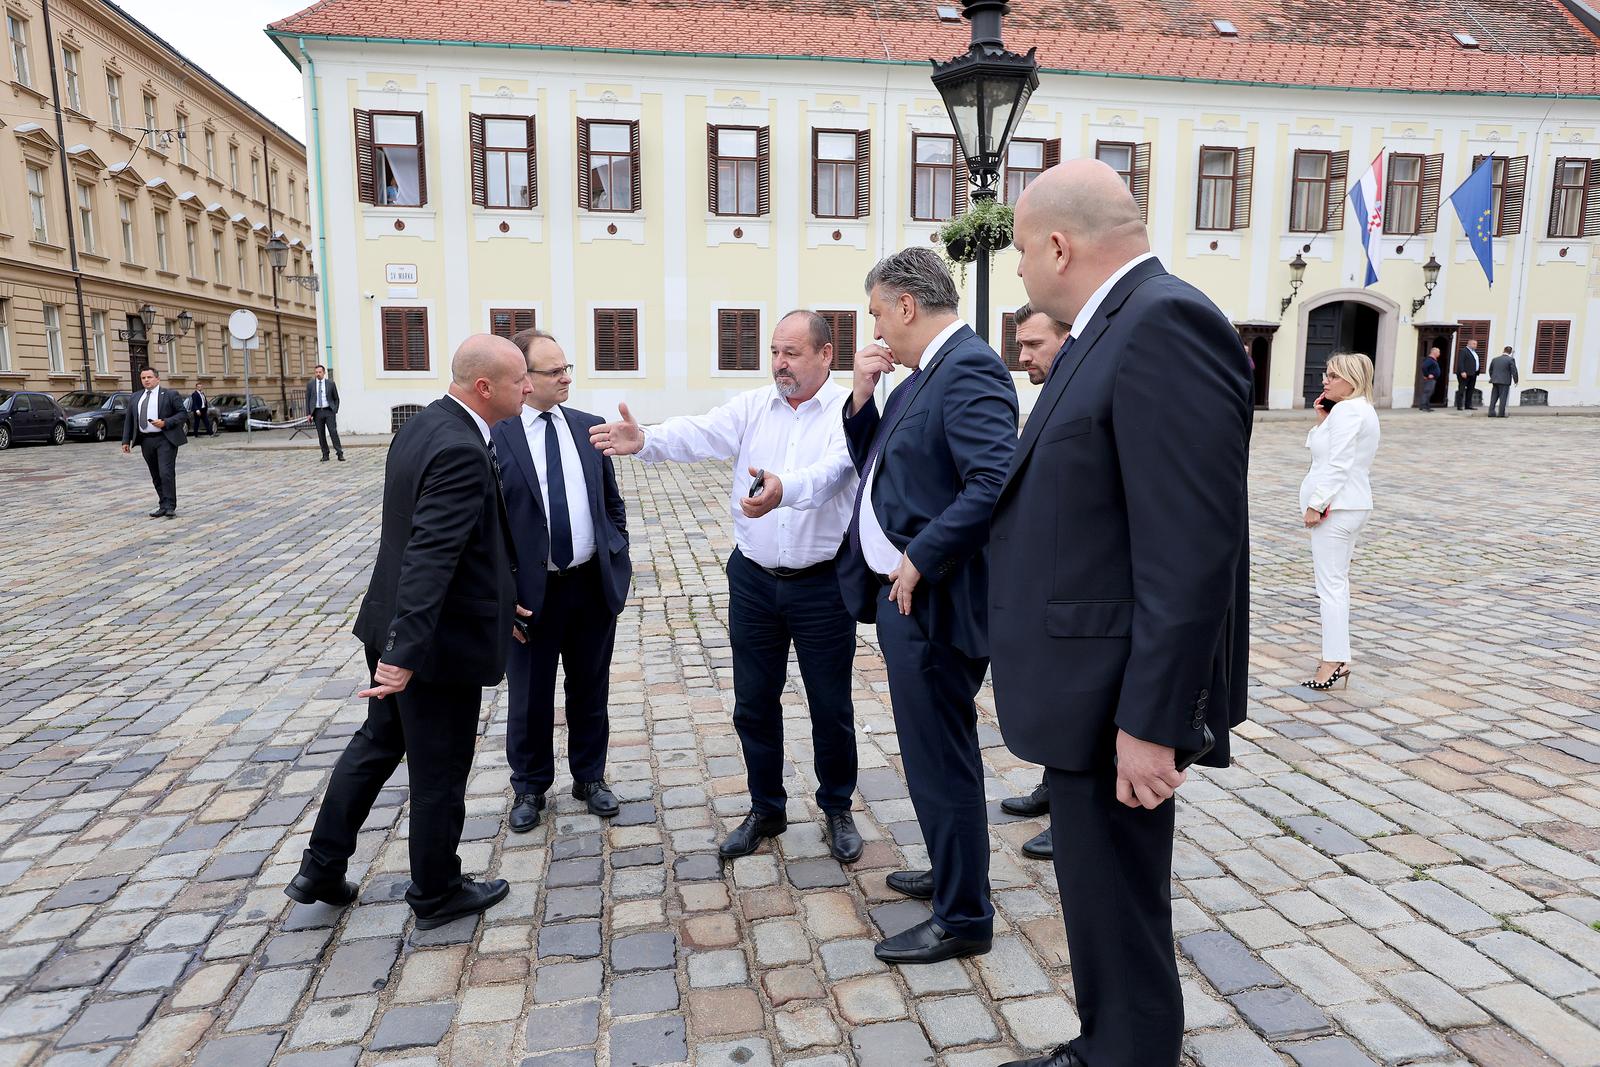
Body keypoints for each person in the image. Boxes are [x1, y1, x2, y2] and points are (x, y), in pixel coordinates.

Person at [991, 160, 1252, 1067]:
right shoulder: (1111, 327)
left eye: (1023, 250)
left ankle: (1130, 1052)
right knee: (1097, 897)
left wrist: (1152, 721)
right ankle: (1110, 1043)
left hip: (1117, 702)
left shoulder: (1163, 323)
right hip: (1086, 690)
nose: (1020, 267)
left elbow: (1190, 552)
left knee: (1122, 902)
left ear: (1060, 246)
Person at [591, 311, 864, 862]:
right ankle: (767, 808)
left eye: (791, 353)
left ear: (825, 354)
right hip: (754, 581)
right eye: (775, 352)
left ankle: (837, 807)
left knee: (829, 705)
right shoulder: (753, 406)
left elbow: (836, 471)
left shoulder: (849, 413)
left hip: (823, 585)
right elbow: (700, 432)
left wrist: (784, 488)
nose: (779, 363)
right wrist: (646, 440)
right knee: (753, 703)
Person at [289, 335, 531, 931]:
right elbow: (429, 554)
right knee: (439, 769)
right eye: (520, 379)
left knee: (376, 744)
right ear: (485, 388)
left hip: (394, 622)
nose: (528, 388)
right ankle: (437, 890)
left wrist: (502, 603)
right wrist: (404, 655)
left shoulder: (424, 424)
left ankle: (320, 867)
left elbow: (458, 544)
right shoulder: (460, 448)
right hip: (431, 646)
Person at [838, 247, 1018, 965]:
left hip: (935, 598)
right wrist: (862, 397)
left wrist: (921, 556)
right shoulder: (921, 376)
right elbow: (883, 463)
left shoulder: (969, 368)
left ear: (906, 305)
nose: (876, 328)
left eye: (877, 313)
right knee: (927, 754)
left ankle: (964, 915)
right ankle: (951, 870)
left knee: (941, 758)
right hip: (904, 598)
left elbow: (993, 481)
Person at [493, 330, 631, 833]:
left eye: (566, 367)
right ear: (525, 379)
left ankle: (589, 777)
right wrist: (503, 593)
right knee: (530, 695)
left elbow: (610, 501)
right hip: (530, 595)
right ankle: (530, 786)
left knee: (590, 687)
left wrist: (617, 550)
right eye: (554, 371)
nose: (566, 377)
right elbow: (488, 523)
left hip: (590, 585)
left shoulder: (589, 428)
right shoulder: (499, 434)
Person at [999, 301, 1072, 863]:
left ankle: (1071, 815)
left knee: (1073, 702)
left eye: (1033, 345)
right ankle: (1054, 788)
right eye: (1020, 344)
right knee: (1056, 696)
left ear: (1066, 337)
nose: (1022, 356)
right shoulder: (1052, 388)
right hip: (1045, 575)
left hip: (1072, 583)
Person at [1301, 353, 1381, 691]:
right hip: (1351, 505)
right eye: (1326, 373)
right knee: (1337, 585)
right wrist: (1323, 420)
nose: (1325, 380)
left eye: (1333, 376)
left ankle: (1334, 660)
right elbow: (1325, 450)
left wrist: (1316, 504)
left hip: (1338, 507)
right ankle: (1338, 655)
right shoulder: (1358, 410)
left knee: (1330, 588)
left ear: (1352, 380)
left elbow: (1338, 464)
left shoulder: (1349, 411)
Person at [121, 366, 189, 519]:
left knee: (165, 472)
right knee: (156, 474)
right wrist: (126, 440)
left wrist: (166, 422)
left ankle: (170, 506)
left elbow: (182, 414)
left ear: (157, 379)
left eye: (149, 377)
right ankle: (163, 504)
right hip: (146, 440)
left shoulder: (169, 395)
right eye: (143, 378)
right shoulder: (136, 397)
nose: (146, 380)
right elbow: (129, 420)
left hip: (165, 439)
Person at [306, 364, 345, 461]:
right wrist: (309, 414)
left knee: (333, 432)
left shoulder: (330, 383)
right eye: (316, 372)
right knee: (321, 434)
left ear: (324, 373)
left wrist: (335, 410)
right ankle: (325, 454)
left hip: (328, 411)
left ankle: (339, 453)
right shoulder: (311, 384)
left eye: (320, 372)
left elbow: (336, 398)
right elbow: (308, 399)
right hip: (317, 412)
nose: (318, 374)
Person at [1488, 345, 1519, 417]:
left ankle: (1491, 412)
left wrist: (1493, 377)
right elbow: (1514, 371)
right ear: (1510, 352)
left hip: (1495, 381)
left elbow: (1490, 370)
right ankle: (1501, 413)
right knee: (1503, 398)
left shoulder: (1495, 359)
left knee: (1493, 397)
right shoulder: (1510, 360)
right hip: (1504, 381)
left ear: (1503, 350)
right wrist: (1516, 380)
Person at [1455, 337, 1480, 411]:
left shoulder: (1474, 352)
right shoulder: (1464, 351)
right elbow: (1461, 362)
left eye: (1476, 344)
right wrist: (1462, 371)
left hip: (1473, 373)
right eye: (1474, 344)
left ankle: (1468, 405)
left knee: (1470, 390)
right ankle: (1459, 405)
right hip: (1465, 374)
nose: (1476, 345)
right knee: (1461, 389)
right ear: (1469, 344)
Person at [1418, 347, 1441, 412]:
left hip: (1433, 379)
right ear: (1434, 352)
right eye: (1438, 352)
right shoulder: (1430, 359)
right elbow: (1424, 366)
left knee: (1429, 392)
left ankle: (1427, 406)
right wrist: (1427, 375)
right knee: (1427, 392)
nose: (1439, 353)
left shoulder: (1433, 360)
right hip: (1430, 379)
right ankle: (1423, 406)